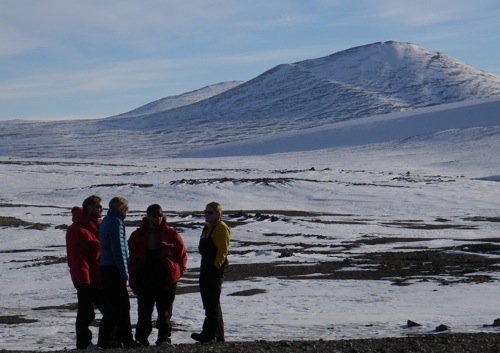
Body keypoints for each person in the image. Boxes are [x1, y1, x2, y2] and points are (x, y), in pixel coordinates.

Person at [128, 204, 187, 346]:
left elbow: (182, 255)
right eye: (154, 216)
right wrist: (133, 273)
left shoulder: (171, 234)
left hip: (165, 278)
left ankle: (164, 339)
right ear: (148, 216)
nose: (158, 219)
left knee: (165, 311)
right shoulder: (138, 235)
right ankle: (142, 339)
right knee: (144, 311)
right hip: (145, 276)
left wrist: (177, 273)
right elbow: (130, 256)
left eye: (160, 215)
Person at [97, 196, 137, 349]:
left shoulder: (108, 220)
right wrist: (124, 271)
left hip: (106, 268)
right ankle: (122, 338)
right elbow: (119, 250)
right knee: (120, 306)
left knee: (114, 306)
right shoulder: (116, 222)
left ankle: (113, 338)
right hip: (112, 269)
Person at [66, 195, 105, 349]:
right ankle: (83, 344)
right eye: (98, 207)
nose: (101, 209)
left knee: (110, 310)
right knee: (86, 313)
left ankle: (107, 342)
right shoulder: (77, 230)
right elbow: (78, 259)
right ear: (89, 208)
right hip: (86, 280)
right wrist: (84, 282)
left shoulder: (98, 226)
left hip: (100, 277)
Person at [191, 202, 231, 343]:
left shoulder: (221, 228)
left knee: (212, 301)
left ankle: (210, 334)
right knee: (210, 301)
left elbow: (223, 251)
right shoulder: (207, 228)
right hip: (205, 268)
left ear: (218, 214)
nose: (206, 215)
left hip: (214, 270)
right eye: (205, 212)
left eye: (210, 212)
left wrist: (215, 267)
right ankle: (218, 335)